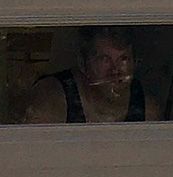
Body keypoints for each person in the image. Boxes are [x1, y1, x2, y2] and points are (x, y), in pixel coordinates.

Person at [22, 26, 163, 123]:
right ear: (83, 64)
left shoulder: (145, 108)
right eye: (105, 59)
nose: (115, 70)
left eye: (123, 59)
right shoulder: (52, 98)